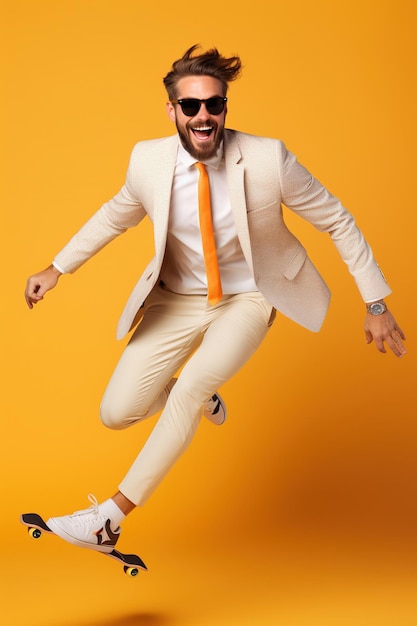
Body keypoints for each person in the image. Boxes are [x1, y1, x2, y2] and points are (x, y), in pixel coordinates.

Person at [24, 44, 406, 556]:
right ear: (172, 111)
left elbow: (336, 218)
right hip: (177, 298)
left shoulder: (270, 159)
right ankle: (203, 395)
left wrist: (375, 303)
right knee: (117, 412)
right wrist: (57, 267)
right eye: (190, 106)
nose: (203, 116)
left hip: (250, 296)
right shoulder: (148, 161)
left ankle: (109, 520)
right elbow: (117, 214)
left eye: (214, 104)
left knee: (184, 393)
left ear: (225, 107)